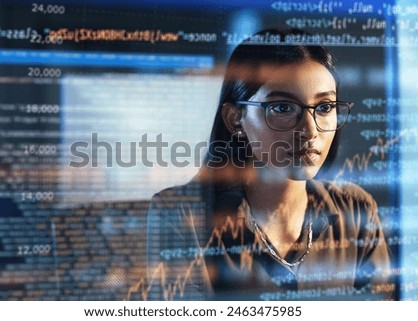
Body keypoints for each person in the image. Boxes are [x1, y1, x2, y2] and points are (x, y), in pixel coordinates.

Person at [146, 29, 393, 300]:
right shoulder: (181, 215)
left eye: (324, 107)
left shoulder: (356, 211)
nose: (310, 131)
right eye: (283, 108)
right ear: (235, 119)